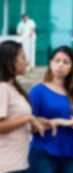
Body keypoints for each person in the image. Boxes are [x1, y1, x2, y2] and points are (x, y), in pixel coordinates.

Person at [28, 46, 73, 173]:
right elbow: (29, 125)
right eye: (57, 61)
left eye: (66, 62)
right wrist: (59, 122)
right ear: (50, 63)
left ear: (72, 67)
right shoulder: (38, 91)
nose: (61, 65)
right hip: (43, 154)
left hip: (69, 155)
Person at [0, 40, 51, 173]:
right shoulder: (3, 88)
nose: (27, 62)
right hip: (7, 166)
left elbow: (17, 123)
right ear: (11, 62)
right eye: (23, 57)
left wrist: (43, 122)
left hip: (19, 165)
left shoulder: (13, 88)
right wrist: (28, 118)